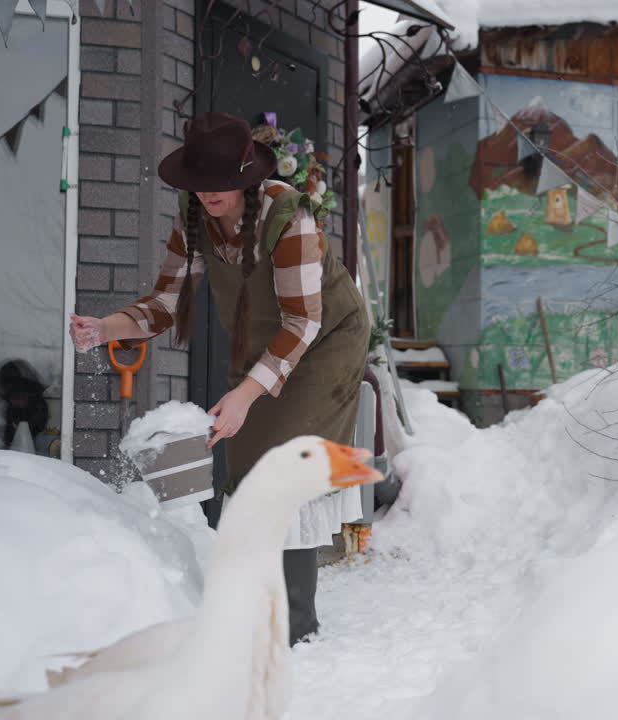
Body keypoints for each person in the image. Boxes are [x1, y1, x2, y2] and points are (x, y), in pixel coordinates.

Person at [68, 112, 369, 643]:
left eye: (221, 183)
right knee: (249, 466)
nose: (209, 193)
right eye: (199, 182)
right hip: (262, 346)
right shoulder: (194, 218)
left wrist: (246, 394)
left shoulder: (287, 217)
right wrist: (106, 327)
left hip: (324, 343)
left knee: (284, 462)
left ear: (247, 177)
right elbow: (165, 302)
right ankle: (257, 606)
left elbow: (303, 321)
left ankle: (296, 623)